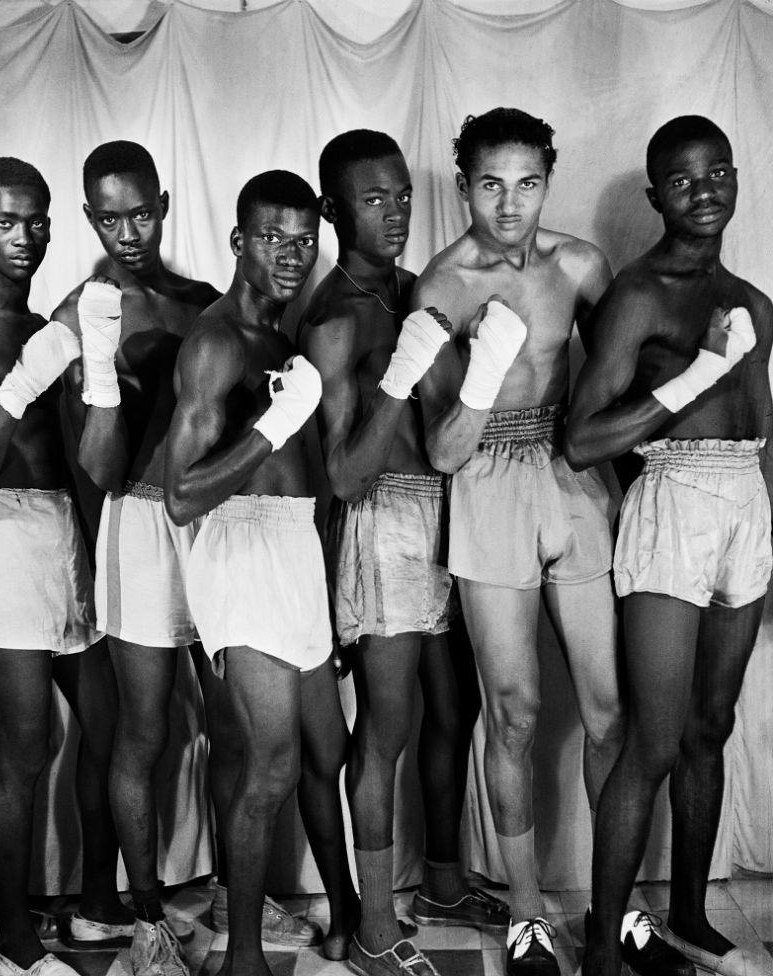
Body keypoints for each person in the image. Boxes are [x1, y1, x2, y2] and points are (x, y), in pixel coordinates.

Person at [417, 107, 624, 976]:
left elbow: (624, 376)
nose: (509, 204)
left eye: (527, 183)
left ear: (549, 179)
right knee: (516, 713)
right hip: (487, 481)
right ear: (465, 184)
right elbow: (439, 448)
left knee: (610, 709)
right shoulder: (440, 285)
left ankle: (614, 907)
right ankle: (529, 914)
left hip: (570, 473)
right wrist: (486, 370)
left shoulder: (581, 265)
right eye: (491, 184)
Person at [298, 128, 508, 975]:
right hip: (383, 524)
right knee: (384, 732)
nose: (394, 213)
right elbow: (345, 474)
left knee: (456, 711)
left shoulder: (417, 291)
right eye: (373, 199)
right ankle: (376, 920)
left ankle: (447, 882)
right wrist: (401, 370)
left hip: (446, 515)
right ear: (333, 210)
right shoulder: (333, 321)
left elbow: (445, 425)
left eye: (403, 196)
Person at [566, 116, 773, 976]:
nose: (705, 190)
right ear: (656, 198)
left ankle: (689, 912)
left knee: (710, 726)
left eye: (717, 172)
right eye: (683, 181)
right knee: (653, 740)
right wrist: (697, 374)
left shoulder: (757, 301)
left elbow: (763, 421)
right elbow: (581, 440)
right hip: (672, 499)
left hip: (745, 504)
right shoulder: (639, 294)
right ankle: (604, 947)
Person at [0, 157, 122, 976]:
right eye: (8, 222)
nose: (27, 236)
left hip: (59, 536)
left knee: (108, 724)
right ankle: (10, 936)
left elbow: (79, 460)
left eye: (38, 220)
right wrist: (13, 394)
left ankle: (90, 908)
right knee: (23, 746)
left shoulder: (43, 318)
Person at [164, 170, 359, 976]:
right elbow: (180, 496)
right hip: (241, 552)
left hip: (294, 552)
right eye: (272, 238)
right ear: (240, 240)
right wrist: (276, 424)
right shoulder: (216, 342)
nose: (290, 254)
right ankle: (241, 956)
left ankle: (346, 911)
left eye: (303, 240)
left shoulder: (284, 340)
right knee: (271, 760)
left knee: (328, 746)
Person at [52, 140, 220, 976]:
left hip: (221, 522)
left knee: (235, 724)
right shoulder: (81, 310)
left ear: (164, 201)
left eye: (140, 211)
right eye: (108, 216)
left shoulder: (204, 300)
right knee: (144, 731)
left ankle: (236, 895)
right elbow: (95, 466)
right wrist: (101, 362)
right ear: (90, 217)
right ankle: (148, 917)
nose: (127, 229)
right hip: (139, 520)